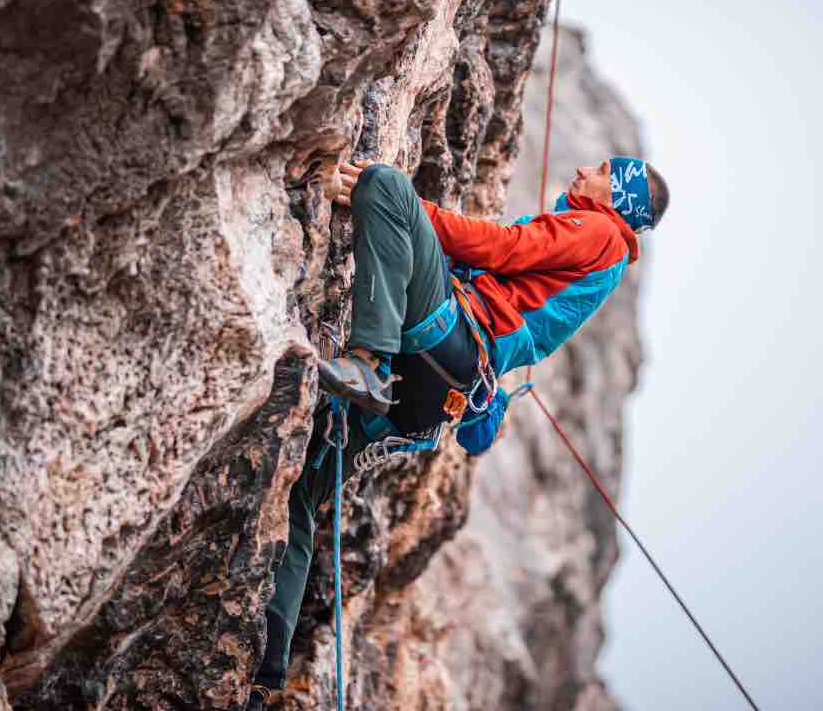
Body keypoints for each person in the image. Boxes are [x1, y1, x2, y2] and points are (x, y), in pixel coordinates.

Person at [245, 155, 669, 709]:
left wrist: (408, 212)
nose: (587, 169)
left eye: (605, 172)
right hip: (437, 394)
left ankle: (370, 360)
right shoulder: (601, 266)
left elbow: (502, 249)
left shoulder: (598, 231)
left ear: (619, 198)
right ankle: (262, 678)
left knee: (386, 185)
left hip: (448, 340)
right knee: (300, 492)